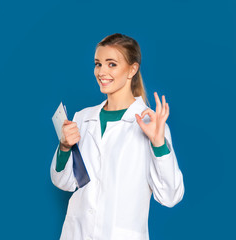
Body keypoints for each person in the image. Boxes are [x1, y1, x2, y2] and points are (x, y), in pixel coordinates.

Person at [50, 33, 185, 240]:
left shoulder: (151, 124)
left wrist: (159, 144)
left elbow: (170, 196)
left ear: (133, 69)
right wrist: (64, 147)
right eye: (98, 64)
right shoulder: (82, 118)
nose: (101, 72)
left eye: (111, 64)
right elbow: (65, 182)